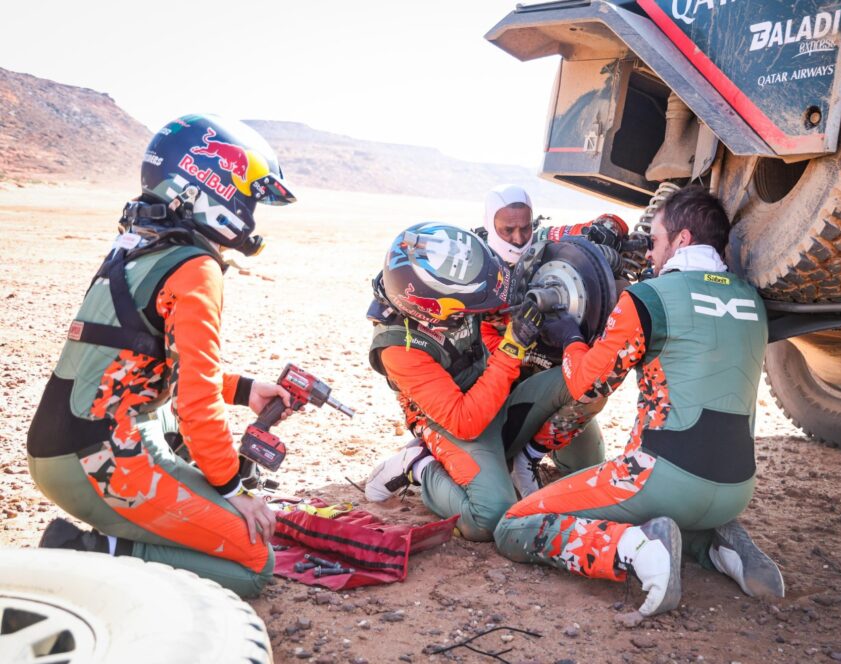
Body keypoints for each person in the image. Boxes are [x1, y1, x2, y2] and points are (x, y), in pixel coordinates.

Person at [26, 114, 297, 598]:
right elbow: (196, 406)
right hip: (98, 457)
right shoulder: (195, 267)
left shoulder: (139, 244)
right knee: (254, 561)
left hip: (64, 439)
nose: (251, 214)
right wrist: (235, 491)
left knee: (191, 462)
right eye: (250, 197)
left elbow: (145, 360)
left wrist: (243, 389)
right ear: (212, 187)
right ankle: (86, 551)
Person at [492, 186, 784, 616]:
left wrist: (571, 338)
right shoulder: (752, 301)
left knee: (512, 525)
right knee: (683, 493)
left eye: (656, 241)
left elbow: (586, 385)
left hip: (661, 478)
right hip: (736, 487)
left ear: (681, 240)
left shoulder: (650, 298)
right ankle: (719, 544)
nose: (649, 254)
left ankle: (637, 549)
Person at [364, 223, 606, 540]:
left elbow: (507, 288)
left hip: (495, 390)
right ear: (435, 311)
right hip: (451, 424)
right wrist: (511, 348)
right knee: (489, 517)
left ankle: (526, 457)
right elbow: (466, 421)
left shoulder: (453, 278)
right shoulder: (398, 348)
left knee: (588, 392)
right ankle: (419, 466)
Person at [474, 184, 630, 497]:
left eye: (525, 227)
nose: (519, 238)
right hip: (500, 379)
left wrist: (607, 232)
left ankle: (530, 451)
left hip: (552, 375)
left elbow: (609, 224)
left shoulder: (546, 239)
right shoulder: (476, 261)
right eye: (507, 230)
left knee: (587, 466)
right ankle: (513, 453)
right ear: (491, 224)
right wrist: (517, 346)